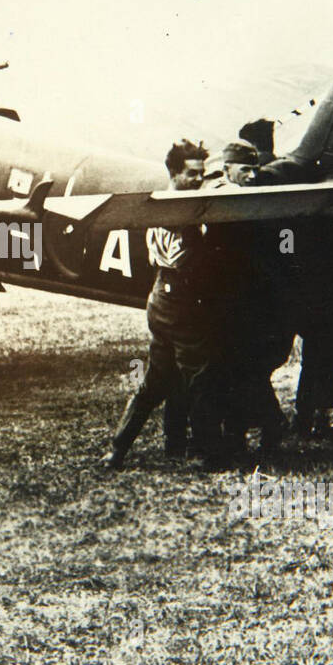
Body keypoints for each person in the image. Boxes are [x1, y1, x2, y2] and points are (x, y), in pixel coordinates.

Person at [103, 140, 215, 470]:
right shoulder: (183, 216)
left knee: (155, 382)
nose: (199, 180)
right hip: (180, 306)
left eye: (202, 174)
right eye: (193, 173)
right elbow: (181, 257)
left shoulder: (156, 207)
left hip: (161, 302)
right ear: (175, 173)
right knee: (198, 378)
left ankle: (118, 449)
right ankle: (210, 452)